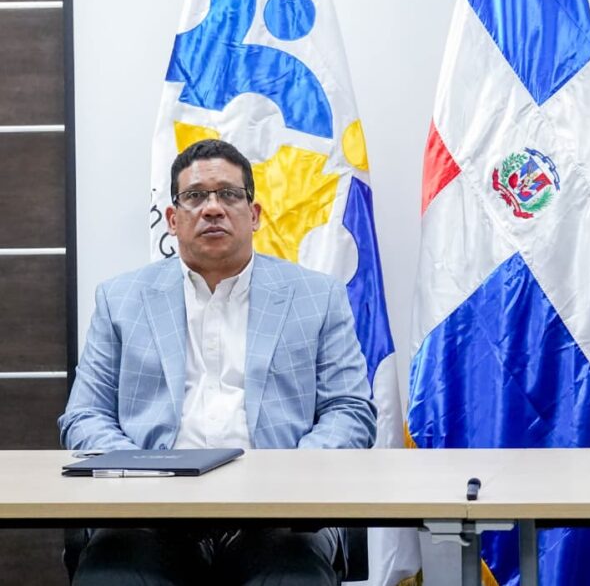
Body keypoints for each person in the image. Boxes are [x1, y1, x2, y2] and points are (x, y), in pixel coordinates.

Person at [59, 139, 377, 585]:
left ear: (255, 214)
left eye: (228, 194)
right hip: (148, 514)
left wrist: (290, 476)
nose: (212, 208)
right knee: (113, 575)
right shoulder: (120, 299)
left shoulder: (317, 296)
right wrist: (140, 474)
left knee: (292, 578)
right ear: (172, 219)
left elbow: (350, 412)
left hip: (278, 515)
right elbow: (84, 416)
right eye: (194, 196)